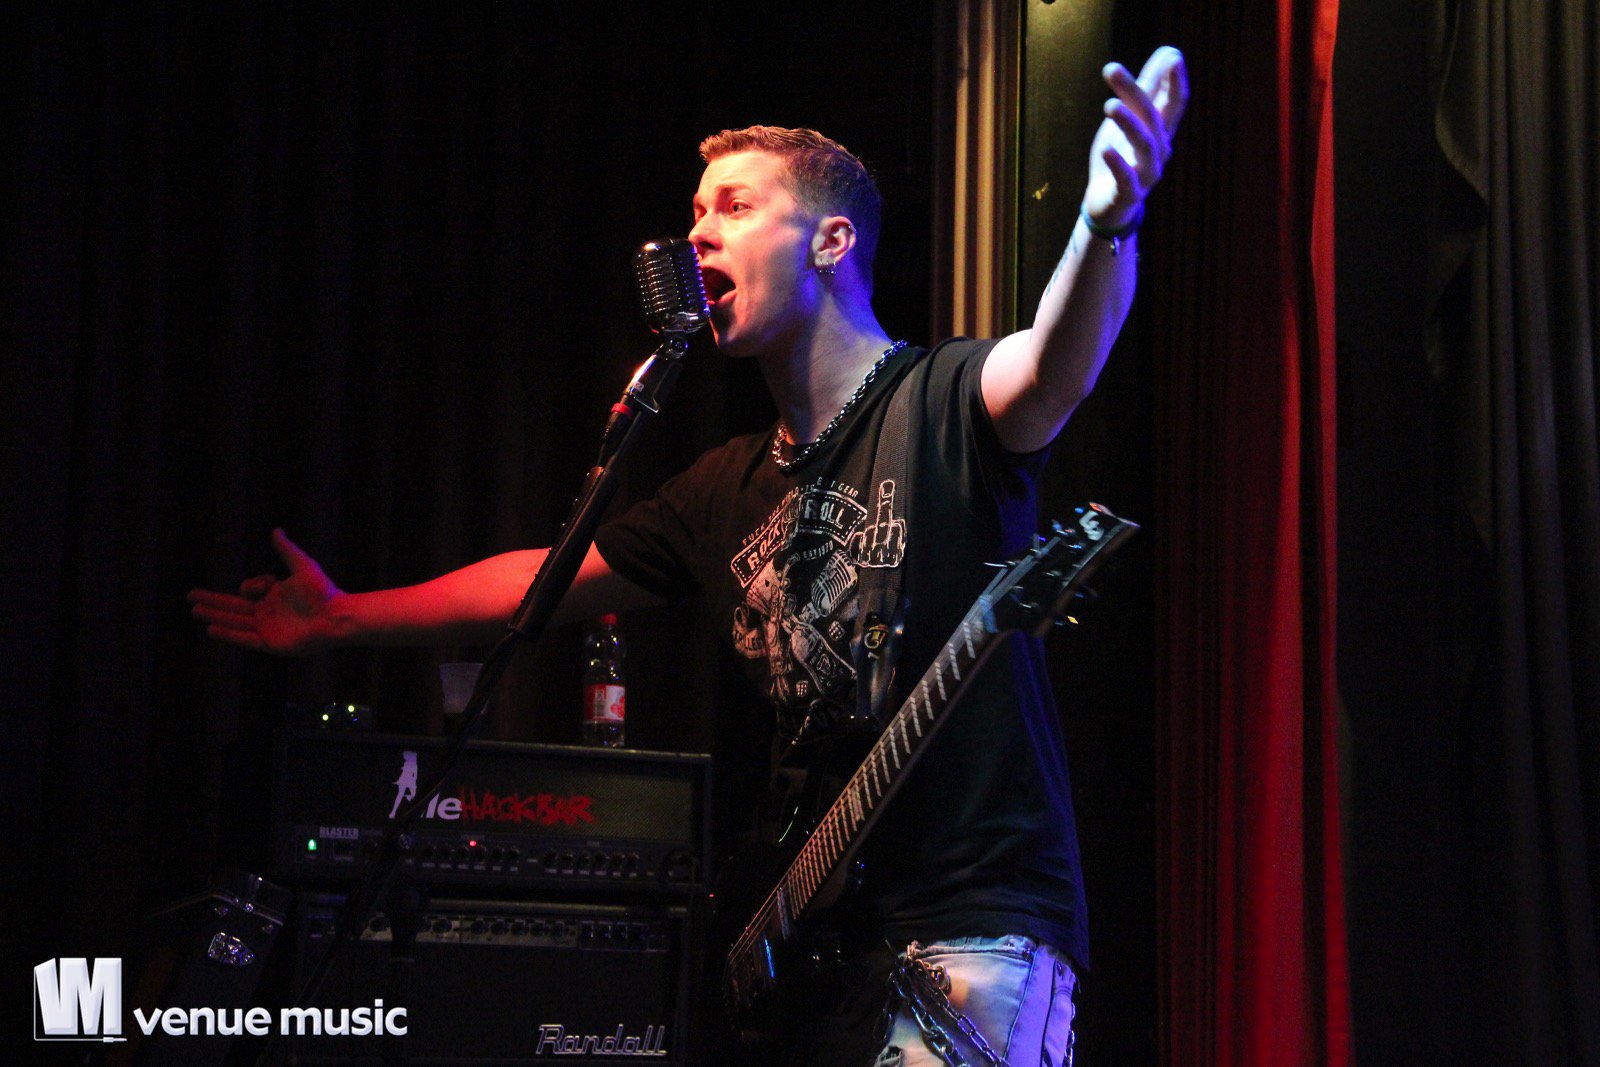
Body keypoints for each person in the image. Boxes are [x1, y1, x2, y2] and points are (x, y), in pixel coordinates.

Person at [190, 47, 1187, 1067]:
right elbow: (541, 579)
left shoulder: (939, 400)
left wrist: (1105, 224)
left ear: (832, 240)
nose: (698, 231)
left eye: (736, 207)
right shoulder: (722, 487)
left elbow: (1054, 364)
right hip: (812, 947)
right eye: (696, 211)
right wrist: (343, 615)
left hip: (971, 929)